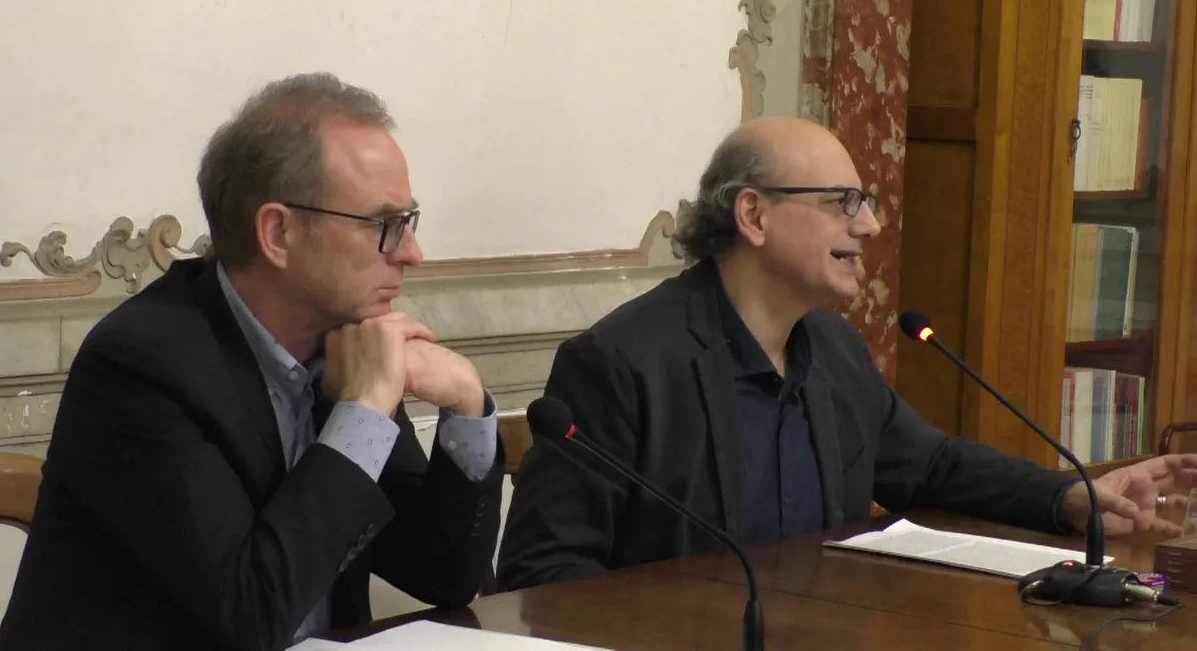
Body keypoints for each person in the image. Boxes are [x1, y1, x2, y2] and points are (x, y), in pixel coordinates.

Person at [496, 116, 1197, 591]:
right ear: (753, 215)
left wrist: (1071, 498)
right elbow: (546, 572)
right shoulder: (623, 362)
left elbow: (931, 466)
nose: (870, 225)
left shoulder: (831, 349)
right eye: (843, 202)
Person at [0, 74, 505, 651]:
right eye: (384, 225)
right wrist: (362, 410)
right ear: (278, 232)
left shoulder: (344, 343)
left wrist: (467, 404)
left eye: (408, 222)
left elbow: (441, 575)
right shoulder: (142, 367)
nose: (412, 253)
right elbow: (250, 617)